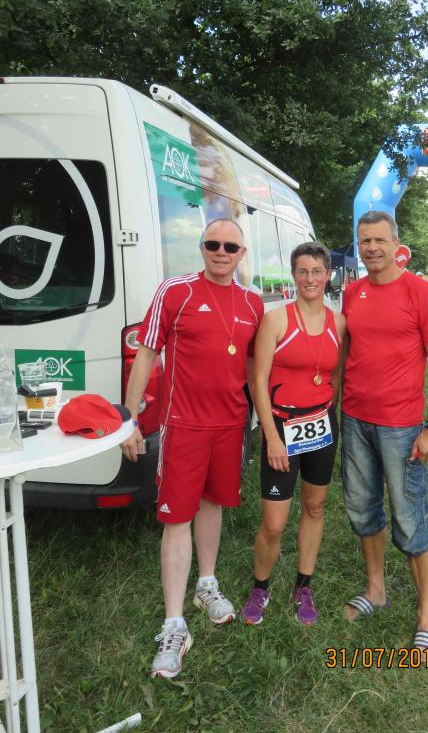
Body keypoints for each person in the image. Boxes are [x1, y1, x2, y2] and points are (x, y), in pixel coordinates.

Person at [121, 218, 263, 679]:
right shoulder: (175, 291)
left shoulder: (253, 303)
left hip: (231, 425)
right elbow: (146, 353)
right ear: (202, 248)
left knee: (213, 503)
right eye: (213, 244)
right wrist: (129, 418)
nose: (221, 252)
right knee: (177, 516)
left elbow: (254, 367)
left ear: (242, 253)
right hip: (184, 426)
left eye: (230, 246)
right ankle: (174, 624)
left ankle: (206, 583)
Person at [341, 210, 428, 653]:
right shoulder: (353, 292)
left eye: (379, 240)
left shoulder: (422, 292)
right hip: (355, 420)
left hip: (402, 427)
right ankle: (376, 591)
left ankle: (426, 616)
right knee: (362, 508)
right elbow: (347, 353)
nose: (372, 248)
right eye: (365, 241)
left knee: (410, 518)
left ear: (395, 243)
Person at [240, 242, 346, 626]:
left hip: (321, 426)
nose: (310, 279)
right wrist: (271, 436)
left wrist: (329, 414)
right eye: (303, 271)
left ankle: (303, 586)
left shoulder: (340, 323)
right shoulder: (276, 320)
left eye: (317, 271)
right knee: (274, 523)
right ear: (293, 275)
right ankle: (260, 588)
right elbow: (258, 380)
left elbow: (338, 375)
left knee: (315, 507)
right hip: (282, 427)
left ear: (328, 275)